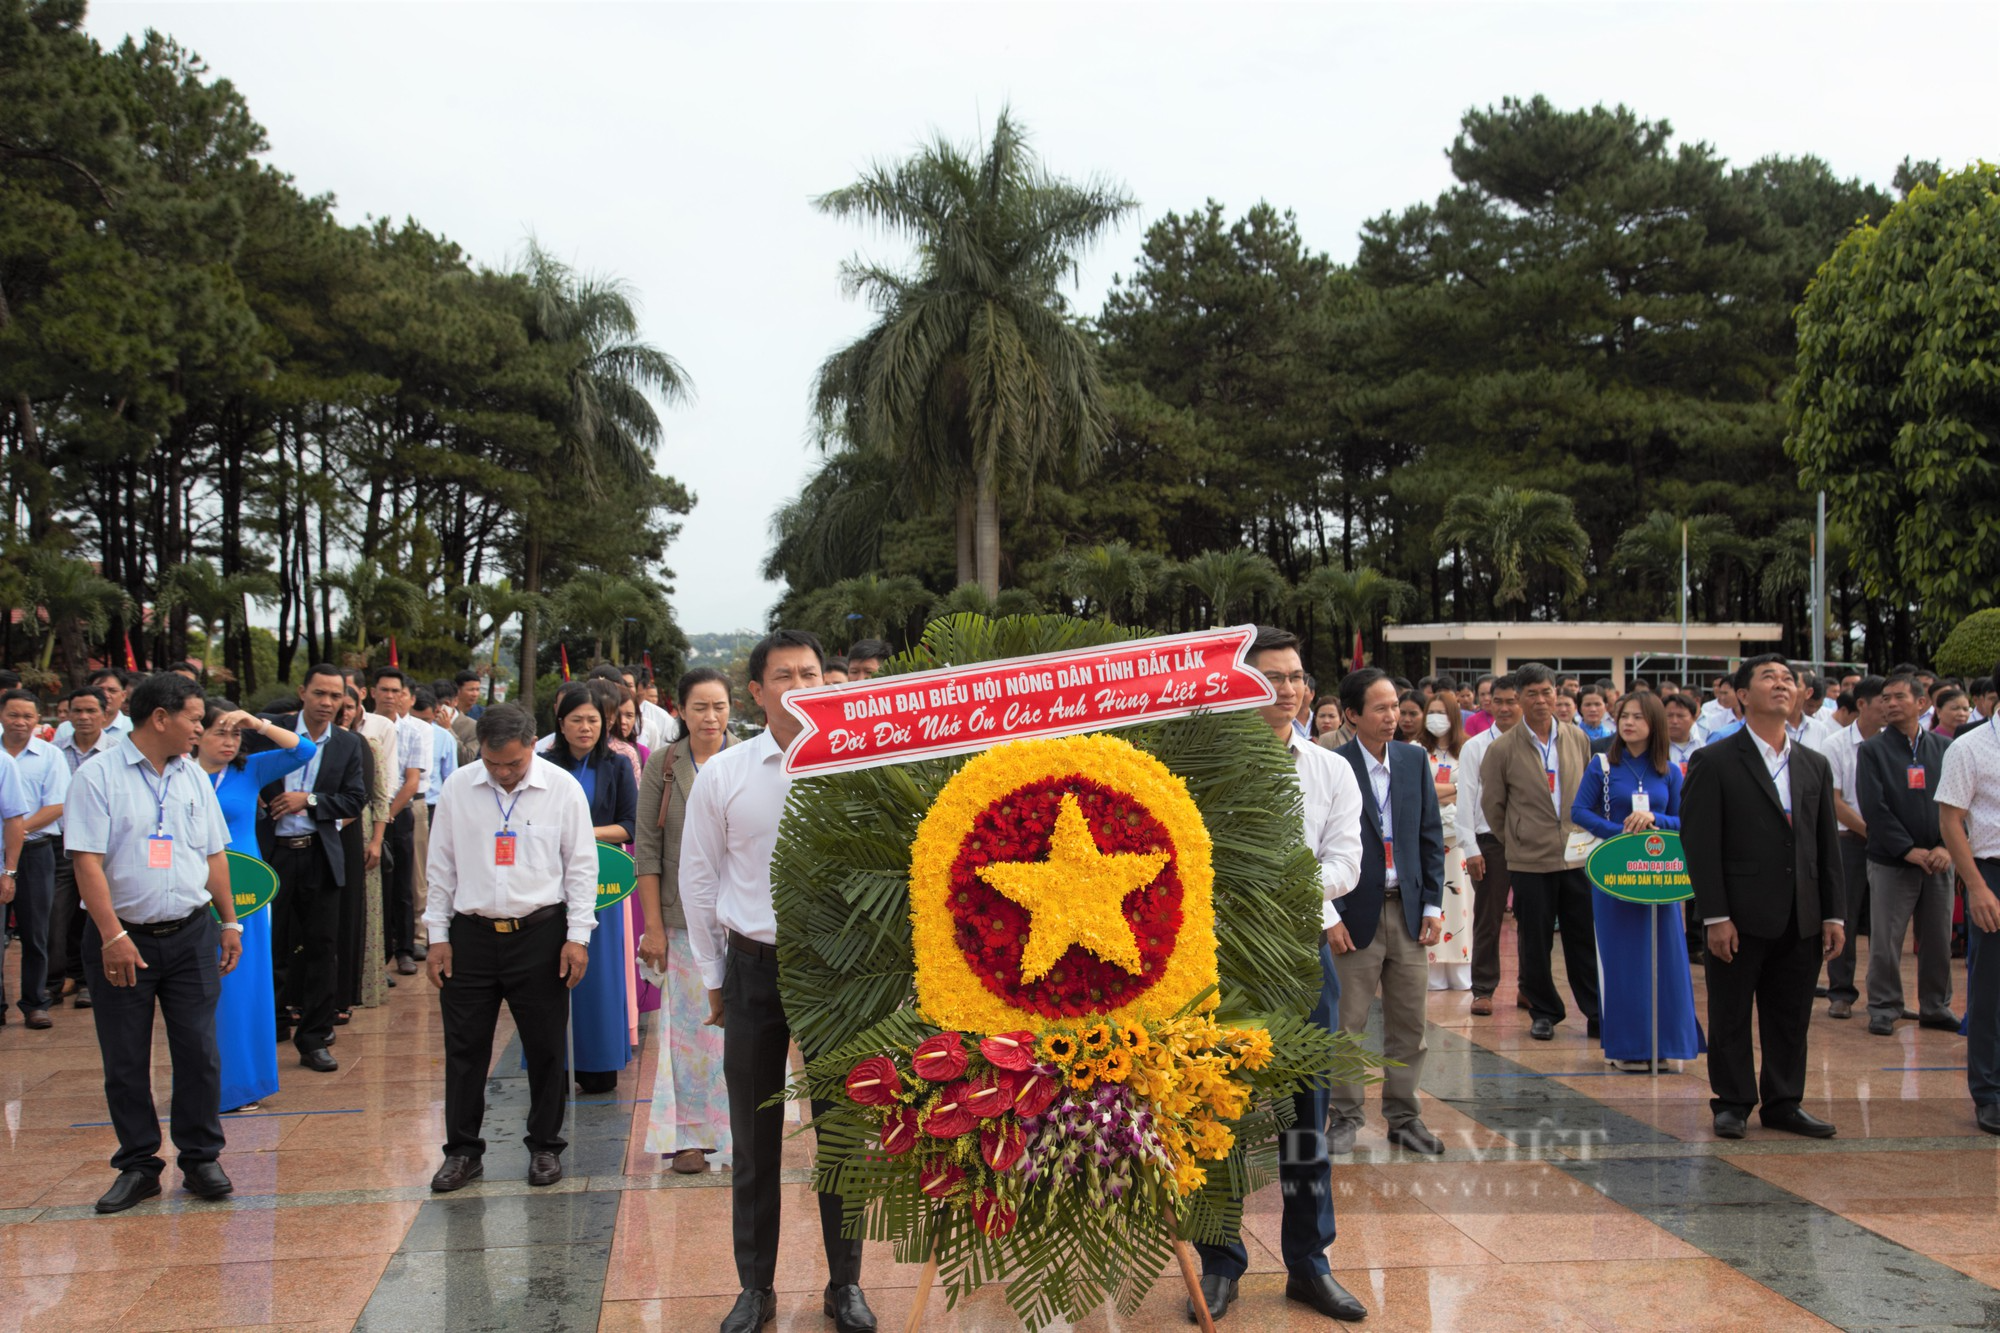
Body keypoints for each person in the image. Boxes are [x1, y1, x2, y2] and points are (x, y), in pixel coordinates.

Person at [681, 630, 878, 1333]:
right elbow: (698, 877)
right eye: (784, 675)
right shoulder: (726, 772)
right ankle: (755, 1287)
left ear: (830, 680)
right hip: (755, 970)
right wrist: (712, 975)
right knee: (755, 1137)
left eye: (812, 672)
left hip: (839, 976)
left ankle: (845, 1283)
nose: (801, 684)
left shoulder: (863, 762)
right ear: (758, 691)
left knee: (843, 1134)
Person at [1190, 628, 1364, 1324]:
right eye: (1270, 676)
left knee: (1306, 1112)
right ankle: (1219, 1261)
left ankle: (1308, 1264)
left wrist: (1278, 889)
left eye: (1294, 677)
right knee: (1216, 1105)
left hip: (1298, 952)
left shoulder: (1330, 770)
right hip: (1224, 955)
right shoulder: (1209, 769)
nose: (1285, 689)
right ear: (1241, 686)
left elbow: (1346, 861)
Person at [64, 671, 244, 1212]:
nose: (200, 728)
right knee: (125, 1058)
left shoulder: (192, 776)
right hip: (124, 939)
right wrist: (112, 935)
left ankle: (200, 1157)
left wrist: (229, 921)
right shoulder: (98, 776)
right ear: (160, 718)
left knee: (199, 1051)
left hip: (190, 933)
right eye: (193, 718)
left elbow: (214, 853)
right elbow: (86, 861)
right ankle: (139, 1164)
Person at [424, 703, 598, 1191]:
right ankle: (462, 1152)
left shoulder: (561, 788)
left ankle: (545, 1146)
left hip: (541, 935)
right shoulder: (460, 786)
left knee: (544, 1048)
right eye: (493, 763)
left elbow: (581, 867)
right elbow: (441, 866)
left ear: (532, 746)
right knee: (464, 1049)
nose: (502, 773)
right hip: (471, 937)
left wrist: (577, 937)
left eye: (513, 764)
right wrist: (437, 937)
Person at [1683, 654, 1844, 1140]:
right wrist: (1715, 915)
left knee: (1791, 1016)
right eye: (1768, 678)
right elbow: (1701, 845)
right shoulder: (1714, 760)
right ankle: (1731, 1102)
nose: (1782, 684)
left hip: (1802, 911)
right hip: (1739, 912)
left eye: (1788, 679)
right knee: (1731, 1013)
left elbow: (1825, 845)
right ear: (1741, 695)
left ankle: (1784, 1101)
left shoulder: (1813, 763)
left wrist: (1834, 913)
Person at [1328, 667, 1447, 1160]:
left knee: (1409, 1024)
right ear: (1353, 715)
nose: (1393, 717)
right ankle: (1345, 1117)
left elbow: (1429, 836)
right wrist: (1328, 914)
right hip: (1354, 915)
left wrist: (1434, 903)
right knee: (1346, 1024)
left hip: (1408, 910)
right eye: (1380, 708)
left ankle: (1404, 1116)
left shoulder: (1414, 760)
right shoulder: (1333, 766)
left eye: (1396, 707)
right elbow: (1317, 845)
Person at [1570, 692, 1705, 1072]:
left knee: (1665, 958)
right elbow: (1579, 811)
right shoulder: (1602, 766)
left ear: (1654, 724)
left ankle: (1667, 1044)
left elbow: (1685, 820)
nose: (1628, 723)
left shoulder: (1670, 772)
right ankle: (1628, 1046)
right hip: (1614, 873)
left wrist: (1655, 822)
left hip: (1658, 876)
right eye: (1623, 716)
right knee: (1622, 960)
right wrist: (1620, 832)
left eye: (1637, 718)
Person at [636, 667, 736, 1175]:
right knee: (690, 1035)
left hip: (744, 922)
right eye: (699, 706)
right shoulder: (664, 765)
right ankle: (692, 1138)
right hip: (682, 922)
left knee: (744, 1032)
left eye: (718, 706)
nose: (710, 716)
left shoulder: (750, 759)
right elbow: (647, 851)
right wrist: (653, 927)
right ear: (680, 710)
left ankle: (742, 1134)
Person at [194, 700, 309, 1108]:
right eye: (219, 732)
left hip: (246, 895)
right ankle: (201, 1083)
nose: (229, 741)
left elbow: (303, 750)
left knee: (242, 986)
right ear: (197, 734)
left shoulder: (250, 769)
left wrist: (257, 722)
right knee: (195, 991)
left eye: (235, 733)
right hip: (191, 891)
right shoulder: (178, 774)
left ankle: (243, 1085)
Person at [1481, 662, 1600, 1042]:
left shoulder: (1577, 738)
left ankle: (1596, 1011)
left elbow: (1587, 794)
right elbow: (1493, 806)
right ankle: (1544, 1010)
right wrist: (1517, 838)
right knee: (1534, 941)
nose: (1541, 700)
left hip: (1576, 855)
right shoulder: (1502, 748)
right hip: (1530, 860)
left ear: (1558, 695)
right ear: (1519, 698)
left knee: (1582, 937)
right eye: (1531, 693)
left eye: (1547, 692)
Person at [259, 666, 369, 1067]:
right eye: (319, 693)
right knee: (270, 945)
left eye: (335, 696)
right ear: (302, 691)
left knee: (323, 946)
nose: (327, 703)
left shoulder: (347, 744)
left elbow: (355, 799)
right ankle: (265, 1026)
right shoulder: (269, 732)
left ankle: (314, 1037)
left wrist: (309, 800)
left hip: (320, 853)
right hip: (271, 854)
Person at [541, 681, 639, 1094]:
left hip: (604, 883)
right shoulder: (542, 764)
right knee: (548, 974)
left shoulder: (617, 765)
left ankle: (598, 1063)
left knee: (599, 976)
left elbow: (629, 825)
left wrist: (583, 834)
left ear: (607, 723)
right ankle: (552, 1065)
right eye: (576, 720)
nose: (586, 728)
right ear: (561, 724)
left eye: (594, 720)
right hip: (547, 884)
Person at [1856, 672, 1957, 1036]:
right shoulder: (1872, 750)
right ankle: (1884, 1007)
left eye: (1899, 697)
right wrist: (1906, 849)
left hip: (1939, 861)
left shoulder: (1945, 749)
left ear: (1922, 703)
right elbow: (1874, 807)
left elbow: (1958, 803)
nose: (1890, 703)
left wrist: (1946, 847)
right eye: (1886, 698)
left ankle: (1935, 1006)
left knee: (1937, 941)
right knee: (1885, 941)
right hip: (1891, 861)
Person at [1937, 669, 2000, 1135]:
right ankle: (1990, 1092)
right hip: (1992, 873)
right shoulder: (1970, 747)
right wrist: (1976, 886)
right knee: (1991, 990)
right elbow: (1951, 821)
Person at [49, 686, 120, 1011]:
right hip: (61, 845)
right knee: (59, 915)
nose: (83, 717)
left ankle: (89, 983)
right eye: (77, 711)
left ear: (106, 715)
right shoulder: (55, 750)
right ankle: (63, 977)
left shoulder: (118, 753)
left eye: (91, 711)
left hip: (104, 849)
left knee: (96, 912)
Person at [2, 689, 69, 1028]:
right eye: (14, 714)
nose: (21, 722)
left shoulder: (49, 755)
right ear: (2, 715)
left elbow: (57, 805)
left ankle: (35, 1003)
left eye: (28, 716)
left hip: (37, 852)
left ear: (37, 719)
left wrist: (13, 832)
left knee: (35, 931)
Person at [1459, 674, 1520, 1016]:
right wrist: (1471, 849)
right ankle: (1483, 989)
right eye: (1498, 701)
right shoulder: (1476, 746)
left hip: (1532, 844)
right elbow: (1467, 798)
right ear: (1489, 704)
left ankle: (1531, 989)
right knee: (1488, 920)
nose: (1505, 707)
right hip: (1490, 842)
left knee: (1534, 919)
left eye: (1512, 700)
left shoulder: (1536, 745)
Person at [1420, 692, 1471, 991]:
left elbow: (1470, 789)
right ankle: (1434, 971)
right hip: (1428, 838)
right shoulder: (1415, 750)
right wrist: (1451, 788)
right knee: (1434, 900)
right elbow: (1421, 790)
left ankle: (1461, 971)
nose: (1436, 717)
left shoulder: (1467, 750)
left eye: (1442, 711)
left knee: (1459, 903)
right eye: (1432, 711)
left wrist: (1442, 789)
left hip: (1458, 841)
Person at [53, 668, 134, 748]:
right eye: (99, 690)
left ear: (123, 696)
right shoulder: (65, 729)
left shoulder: (134, 727)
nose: (105, 695)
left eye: (112, 690)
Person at [1663, 694, 1705, 774]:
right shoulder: (1655, 747)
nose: (1674, 721)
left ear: (1693, 718)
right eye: (1669, 716)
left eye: (1680, 716)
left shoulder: (1702, 747)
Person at [1698, 674, 1737, 741]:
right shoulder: (1713, 721)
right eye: (1721, 693)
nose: (1722, 697)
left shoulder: (1753, 718)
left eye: (1725, 693)